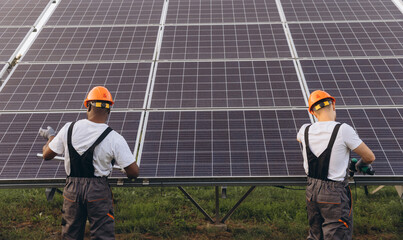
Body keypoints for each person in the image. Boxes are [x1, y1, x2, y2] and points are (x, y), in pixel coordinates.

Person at [39, 86, 139, 240]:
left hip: (72, 189)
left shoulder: (68, 129)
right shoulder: (114, 138)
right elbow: (133, 173)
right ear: (109, 110)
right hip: (98, 191)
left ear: (88, 106)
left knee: (70, 235)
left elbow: (47, 155)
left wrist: (52, 136)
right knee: (102, 235)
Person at [297, 90, 375, 240]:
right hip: (334, 194)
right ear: (333, 105)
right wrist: (359, 165)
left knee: (315, 235)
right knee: (336, 236)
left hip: (312, 192)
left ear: (313, 113)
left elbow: (299, 138)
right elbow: (369, 157)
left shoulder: (304, 130)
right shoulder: (343, 130)